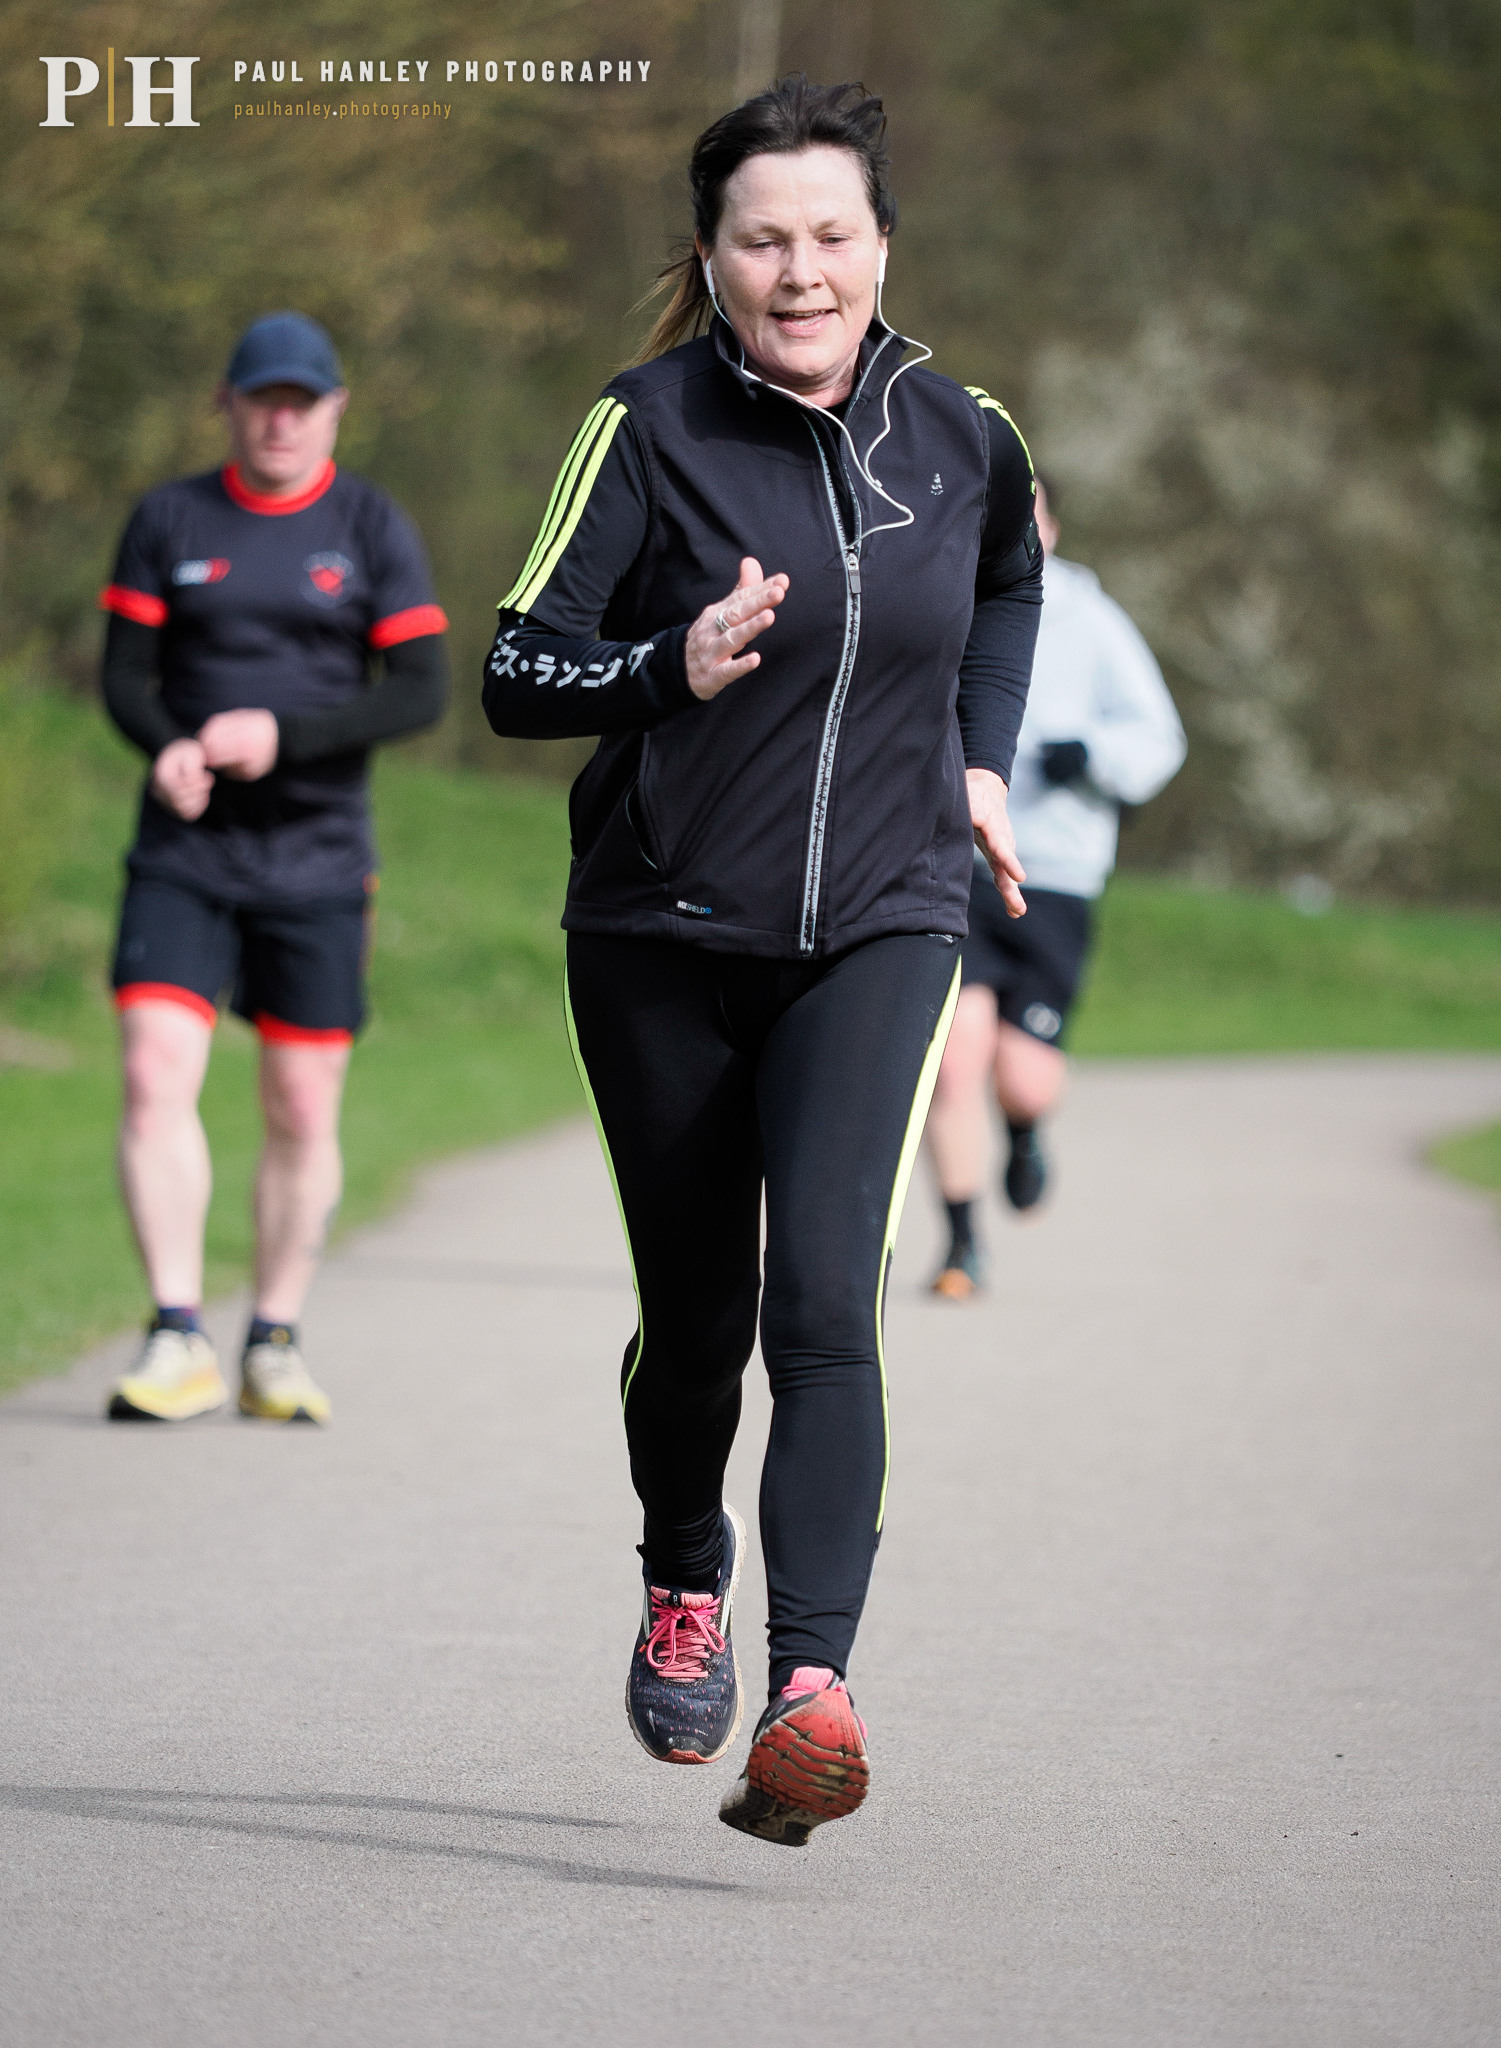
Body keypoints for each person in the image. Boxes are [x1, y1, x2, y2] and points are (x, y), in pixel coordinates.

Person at [482, 77, 1041, 1846]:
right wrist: (670, 667)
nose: (800, 270)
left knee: (823, 1301)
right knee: (701, 1321)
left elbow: (1011, 590)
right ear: (712, 258)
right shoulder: (642, 426)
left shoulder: (965, 433)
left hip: (887, 911)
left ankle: (811, 1689)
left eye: (829, 235)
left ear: (880, 244)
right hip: (662, 931)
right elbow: (517, 672)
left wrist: (976, 760)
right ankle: (678, 1565)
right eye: (762, 240)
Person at [99, 312, 449, 1425]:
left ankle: (274, 1338)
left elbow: (420, 689)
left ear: (335, 409)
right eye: (264, 398)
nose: (282, 416)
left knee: (300, 1101)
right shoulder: (169, 517)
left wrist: (282, 738)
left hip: (318, 854)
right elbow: (125, 675)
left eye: (304, 400)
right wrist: (164, 747)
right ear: (231, 404)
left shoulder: (370, 525)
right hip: (187, 849)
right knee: (156, 1070)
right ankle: (174, 1331)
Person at [926, 475, 1186, 1297]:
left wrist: (1093, 759)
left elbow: (1158, 736)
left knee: (1021, 1076)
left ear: (1054, 528)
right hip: (948, 861)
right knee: (951, 1062)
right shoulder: (937, 597)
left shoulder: (1092, 620)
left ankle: (1027, 1127)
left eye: (1028, 512)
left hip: (1055, 874)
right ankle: (964, 1244)